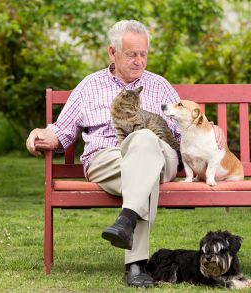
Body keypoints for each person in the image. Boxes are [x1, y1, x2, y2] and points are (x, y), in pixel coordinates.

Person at [26, 19, 223, 287]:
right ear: (112, 52)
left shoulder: (160, 85)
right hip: (107, 160)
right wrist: (40, 132)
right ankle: (135, 266)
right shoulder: (89, 86)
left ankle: (126, 220)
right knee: (145, 175)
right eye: (132, 54)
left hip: (161, 156)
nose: (139, 61)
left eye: (143, 54)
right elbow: (62, 131)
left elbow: (183, 132)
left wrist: (211, 128)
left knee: (143, 139)